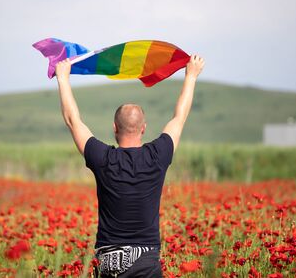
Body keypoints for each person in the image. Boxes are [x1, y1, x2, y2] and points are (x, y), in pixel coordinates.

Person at [55, 54, 205, 277]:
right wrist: (191, 76)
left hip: (109, 262)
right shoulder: (158, 155)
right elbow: (179, 118)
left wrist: (63, 79)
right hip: (146, 260)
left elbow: (72, 120)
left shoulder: (103, 158)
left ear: (114, 127)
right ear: (143, 128)